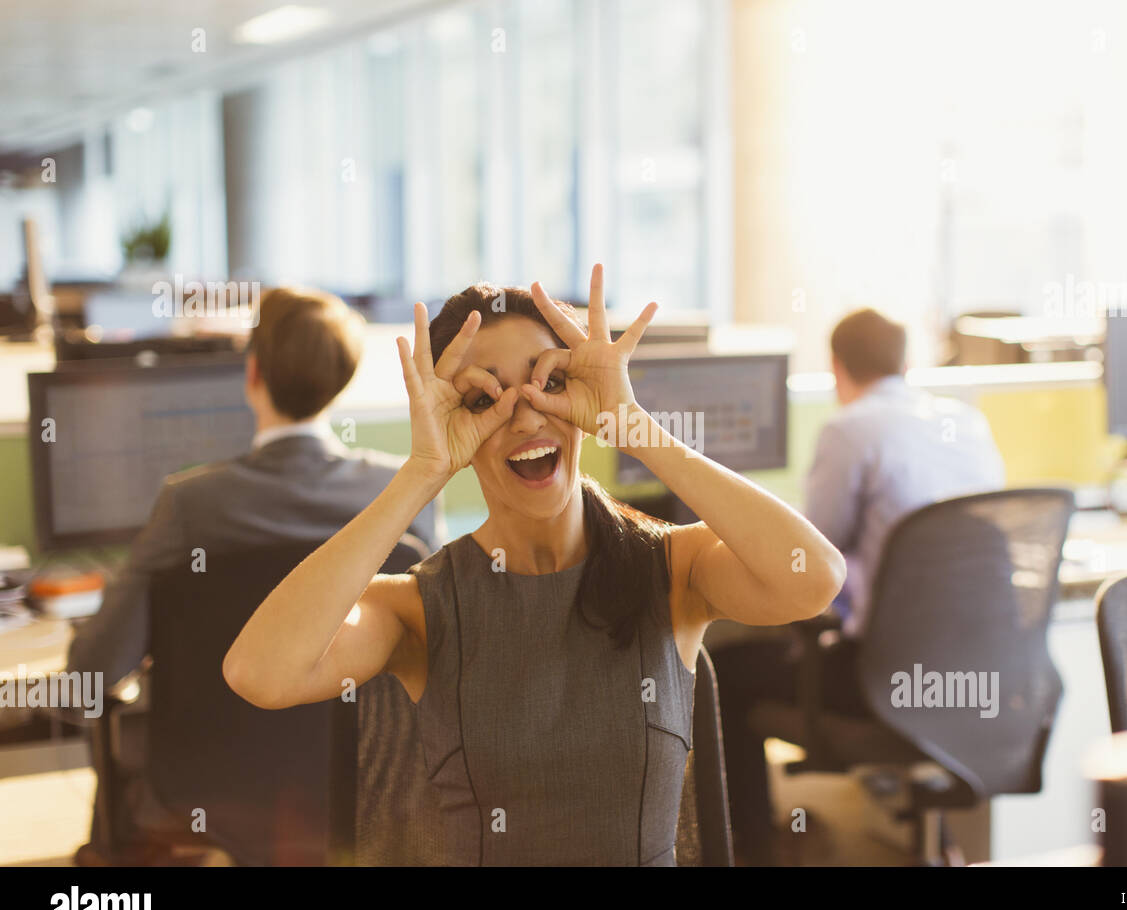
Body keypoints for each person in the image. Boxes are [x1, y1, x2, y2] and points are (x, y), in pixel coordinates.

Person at [223, 265, 846, 866]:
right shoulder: (418, 609)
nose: (525, 416)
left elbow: (813, 577)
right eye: (482, 398)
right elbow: (262, 673)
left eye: (549, 384)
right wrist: (422, 473)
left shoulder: (671, 568)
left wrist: (633, 426)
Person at [68, 286, 445, 865]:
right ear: (340, 379)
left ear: (253, 374)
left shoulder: (187, 504)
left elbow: (93, 674)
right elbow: (444, 657)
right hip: (366, 790)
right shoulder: (403, 494)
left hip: (205, 796)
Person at [710, 307, 1006, 864]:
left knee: (724, 670)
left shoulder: (851, 428)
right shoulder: (966, 421)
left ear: (836, 367)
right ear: (907, 362)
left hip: (887, 681)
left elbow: (811, 555)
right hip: (980, 670)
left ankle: (753, 848)